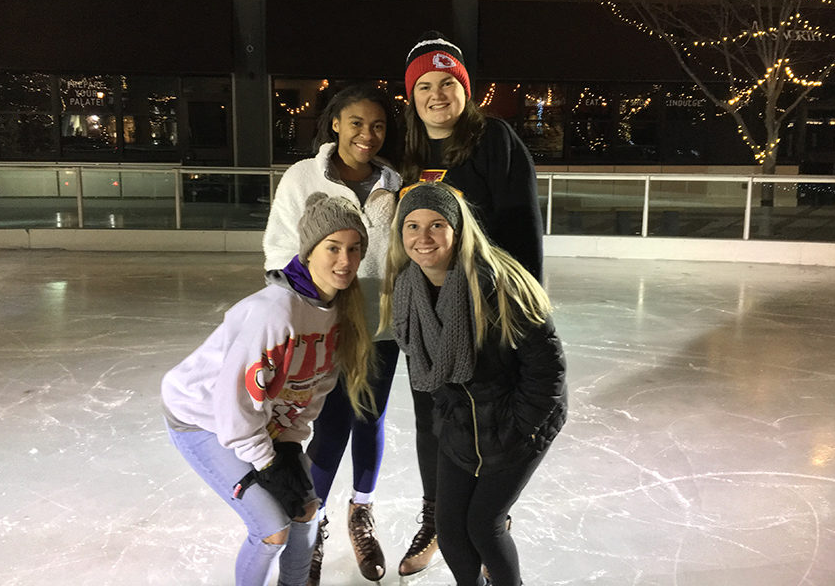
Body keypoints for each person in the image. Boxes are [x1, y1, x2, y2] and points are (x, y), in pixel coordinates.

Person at [163, 193, 373, 586]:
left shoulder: (339, 313)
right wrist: (267, 461)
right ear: (309, 251)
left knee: (308, 513)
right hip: (202, 416)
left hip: (257, 421)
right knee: (272, 529)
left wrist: (290, 444)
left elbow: (313, 389)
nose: (345, 261)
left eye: (354, 249)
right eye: (333, 248)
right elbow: (234, 404)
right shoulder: (275, 312)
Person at [397, 30, 546, 575]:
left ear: (466, 90)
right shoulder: (406, 148)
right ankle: (438, 517)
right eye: (425, 87)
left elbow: (524, 234)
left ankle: (485, 519)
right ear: (411, 97)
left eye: (448, 84)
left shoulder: (496, 142)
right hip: (425, 315)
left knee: (486, 414)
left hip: (485, 313)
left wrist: (519, 317)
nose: (437, 96)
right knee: (430, 418)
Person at [380, 182, 566, 586]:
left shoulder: (501, 285)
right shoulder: (410, 289)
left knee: (484, 526)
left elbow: (547, 369)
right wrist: (449, 418)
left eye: (436, 224)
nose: (422, 238)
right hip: (461, 420)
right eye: (411, 226)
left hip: (516, 422)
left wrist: (518, 426)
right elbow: (430, 372)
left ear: (459, 229)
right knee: (449, 529)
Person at [262, 84, 402, 584]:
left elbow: (400, 256)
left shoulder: (393, 182)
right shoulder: (303, 178)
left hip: (382, 330)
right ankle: (312, 522)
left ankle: (360, 512)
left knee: (370, 419)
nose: (368, 134)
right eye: (357, 123)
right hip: (322, 326)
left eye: (378, 125)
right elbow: (279, 249)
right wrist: (312, 308)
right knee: (330, 426)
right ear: (336, 124)